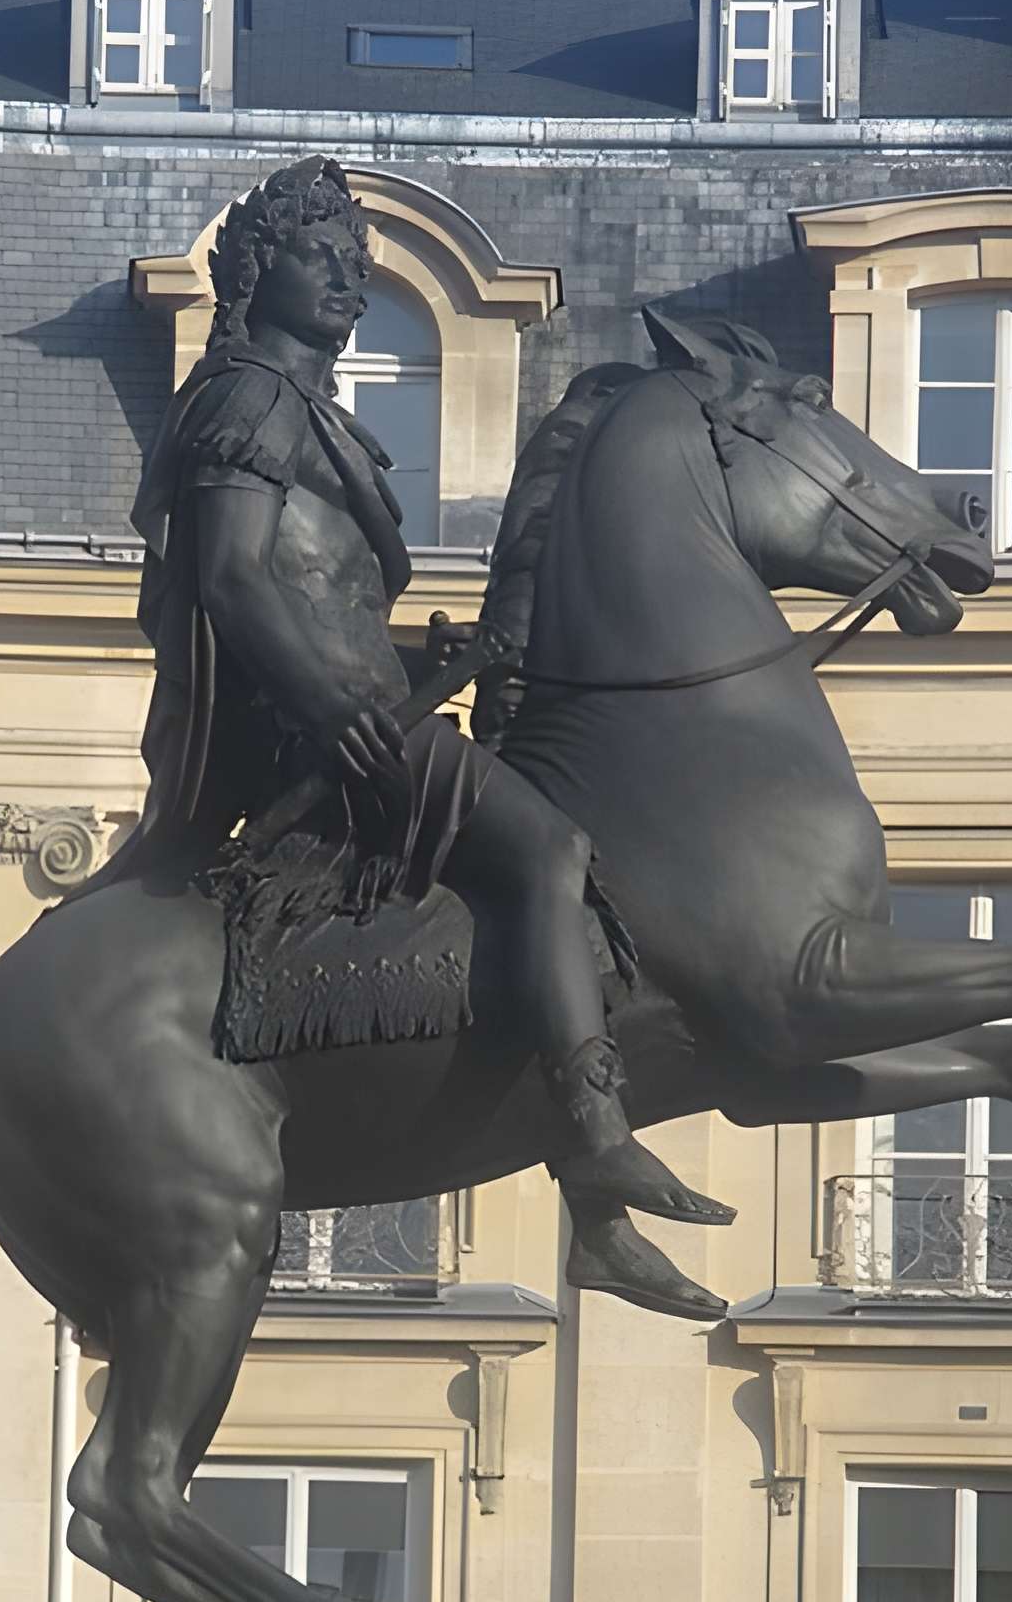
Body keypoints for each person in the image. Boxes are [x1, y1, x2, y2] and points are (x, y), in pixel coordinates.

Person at [103, 156, 731, 1318]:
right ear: (254, 270)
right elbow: (237, 585)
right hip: (327, 738)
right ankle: (594, 1143)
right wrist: (332, 703)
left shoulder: (300, 411)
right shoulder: (249, 401)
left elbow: (320, 596)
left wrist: (417, 669)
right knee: (550, 853)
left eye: (357, 255)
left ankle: (593, 1201)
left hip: (354, 708)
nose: (347, 272)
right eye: (316, 251)